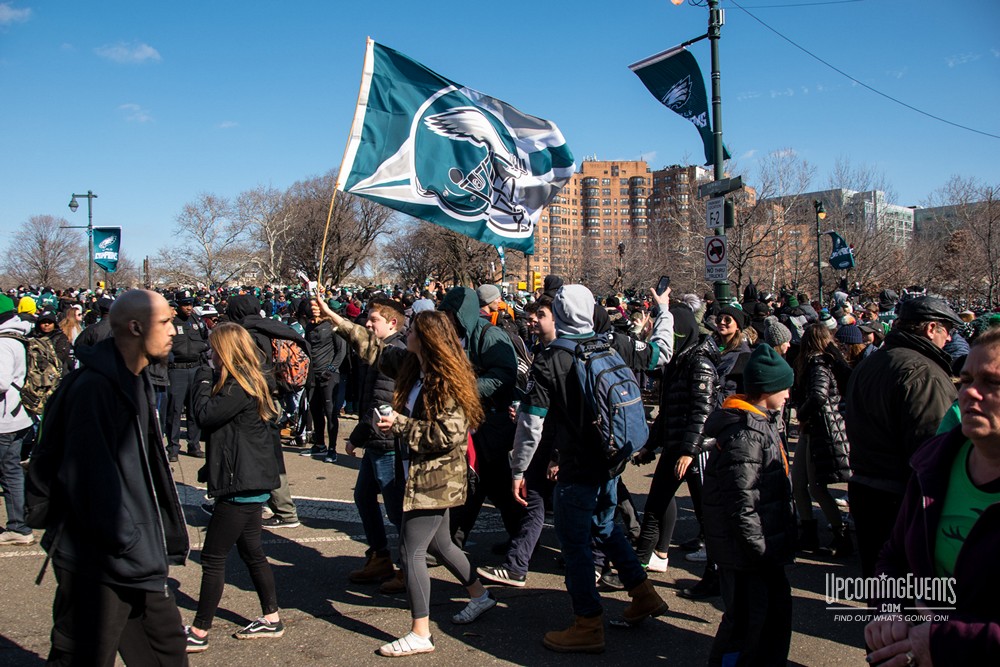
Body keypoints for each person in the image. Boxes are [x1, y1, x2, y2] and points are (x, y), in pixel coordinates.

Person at [314, 299, 497, 657]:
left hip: (437, 478)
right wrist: (336, 318)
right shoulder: (415, 365)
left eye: (412, 330)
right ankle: (480, 594)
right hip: (420, 472)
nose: (406, 332)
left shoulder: (446, 380)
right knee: (441, 544)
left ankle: (421, 632)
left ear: (426, 339)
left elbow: (448, 435)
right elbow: (374, 350)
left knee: (410, 550)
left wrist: (398, 424)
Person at [508, 285, 668, 654]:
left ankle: (587, 621)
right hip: (611, 458)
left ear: (560, 315)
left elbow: (531, 423)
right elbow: (658, 356)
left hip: (578, 464)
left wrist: (518, 468)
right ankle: (642, 592)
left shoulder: (552, 358)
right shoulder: (607, 345)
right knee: (605, 525)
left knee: (575, 541)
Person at [39, 290, 189, 665]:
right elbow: (85, 480)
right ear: (136, 327)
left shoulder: (136, 380)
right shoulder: (94, 389)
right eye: (166, 322)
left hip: (136, 557)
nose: (176, 331)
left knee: (167, 651)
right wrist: (127, 537)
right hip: (100, 560)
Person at [865, 326, 1000, 666]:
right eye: (966, 379)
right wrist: (891, 612)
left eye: (992, 383)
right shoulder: (934, 463)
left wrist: (941, 642)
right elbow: (892, 557)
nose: (970, 393)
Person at [845, 296, 962, 578]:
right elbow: (933, 449)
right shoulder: (923, 373)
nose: (949, 340)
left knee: (884, 596)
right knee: (910, 601)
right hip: (901, 499)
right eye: (948, 331)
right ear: (931, 328)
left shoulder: (873, 363)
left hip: (868, 490)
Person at [185, 323, 284, 653]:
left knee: (213, 557)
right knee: (252, 551)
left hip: (242, 483)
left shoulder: (239, 384)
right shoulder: (245, 379)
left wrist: (201, 378)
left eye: (214, 349)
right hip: (246, 478)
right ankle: (271, 618)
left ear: (225, 351)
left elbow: (204, 416)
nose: (210, 355)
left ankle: (200, 631)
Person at [702, 344, 797, 667]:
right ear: (767, 389)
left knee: (772, 614)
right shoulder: (746, 434)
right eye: (784, 388)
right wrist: (760, 548)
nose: (787, 395)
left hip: (762, 547)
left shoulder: (762, 423)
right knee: (745, 622)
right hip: (748, 552)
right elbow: (742, 502)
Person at [632, 302, 720, 573]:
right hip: (675, 445)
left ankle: (715, 572)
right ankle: (642, 560)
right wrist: (651, 445)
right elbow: (668, 412)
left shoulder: (699, 363)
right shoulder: (676, 362)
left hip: (696, 450)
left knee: (707, 511)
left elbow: (702, 412)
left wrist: (689, 452)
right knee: (655, 504)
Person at [345, 298, 407, 590]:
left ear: (392, 323)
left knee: (397, 511)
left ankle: (409, 568)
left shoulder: (395, 352)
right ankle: (380, 556)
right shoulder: (380, 350)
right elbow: (371, 400)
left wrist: (359, 435)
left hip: (388, 443)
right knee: (363, 496)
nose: (367, 325)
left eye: (373, 320)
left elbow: (383, 403)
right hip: (375, 442)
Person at [792, 324, 853, 556]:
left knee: (817, 486)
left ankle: (841, 534)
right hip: (813, 429)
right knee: (798, 483)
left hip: (821, 428)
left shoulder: (818, 363)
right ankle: (808, 531)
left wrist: (802, 413)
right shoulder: (819, 362)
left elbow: (818, 395)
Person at [0, 294, 36, 546]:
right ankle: (20, 522)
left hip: (6, 418)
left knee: (9, 472)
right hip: (20, 415)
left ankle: (19, 526)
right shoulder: (20, 336)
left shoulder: (3, 343)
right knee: (12, 470)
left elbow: (1, 381)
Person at [166, 289, 208, 460]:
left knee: (194, 410)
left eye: (190, 303)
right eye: (185, 304)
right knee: (174, 411)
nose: (188, 307)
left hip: (195, 368)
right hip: (177, 370)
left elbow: (205, 339)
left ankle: (194, 445)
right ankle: (173, 447)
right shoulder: (171, 322)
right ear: (178, 305)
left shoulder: (197, 320)